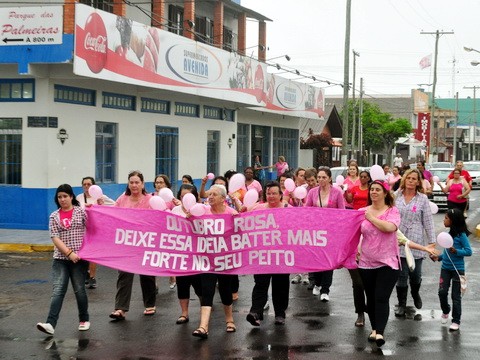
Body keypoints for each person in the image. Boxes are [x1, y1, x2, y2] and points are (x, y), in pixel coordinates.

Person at [358, 180, 436, 347]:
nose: (374, 192)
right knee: (370, 298)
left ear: (385, 193)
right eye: (371, 189)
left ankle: (380, 332)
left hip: (388, 263)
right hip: (366, 262)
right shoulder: (361, 212)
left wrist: (371, 217)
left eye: (378, 189)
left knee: (381, 297)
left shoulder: (392, 211)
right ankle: (374, 329)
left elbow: (389, 228)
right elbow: (351, 233)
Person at [37, 184, 90, 335]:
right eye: (59, 197)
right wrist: (69, 253)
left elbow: (93, 228)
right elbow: (55, 237)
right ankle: (50, 324)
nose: (62, 199)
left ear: (71, 197)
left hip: (79, 259)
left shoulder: (81, 212)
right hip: (60, 259)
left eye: (65, 196)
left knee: (79, 290)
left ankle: (84, 319)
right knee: (58, 290)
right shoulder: (54, 216)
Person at [109, 171, 157, 321]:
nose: (134, 185)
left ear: (143, 184)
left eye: (137, 182)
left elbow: (160, 216)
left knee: (147, 275)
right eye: (132, 182)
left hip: (146, 243)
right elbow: (112, 214)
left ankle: (150, 304)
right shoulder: (122, 199)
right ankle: (120, 309)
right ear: (128, 184)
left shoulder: (151, 200)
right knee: (124, 275)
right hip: (127, 244)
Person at [192, 184, 237, 339]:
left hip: (226, 260)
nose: (210, 197)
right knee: (207, 290)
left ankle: (229, 320)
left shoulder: (232, 213)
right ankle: (203, 326)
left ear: (223, 199)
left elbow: (242, 233)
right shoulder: (202, 211)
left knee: (225, 290)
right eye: (209, 194)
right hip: (207, 259)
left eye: (214, 195)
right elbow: (189, 225)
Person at [246, 181, 291, 327]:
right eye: (268, 193)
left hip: (281, 255)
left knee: (281, 285)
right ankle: (255, 312)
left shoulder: (288, 209)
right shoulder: (258, 208)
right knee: (260, 284)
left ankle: (279, 314)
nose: (271, 196)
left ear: (280, 195)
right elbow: (242, 217)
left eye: (274, 193)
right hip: (262, 255)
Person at [393, 169, 436, 317]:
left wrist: (432, 243)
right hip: (399, 240)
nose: (411, 181)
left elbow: (428, 222)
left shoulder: (422, 198)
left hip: (416, 240)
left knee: (415, 274)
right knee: (402, 274)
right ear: (404, 179)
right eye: (408, 178)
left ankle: (415, 292)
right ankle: (402, 304)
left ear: (418, 182)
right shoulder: (396, 195)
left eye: (414, 179)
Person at [305, 167, 345, 301]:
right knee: (316, 258)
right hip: (315, 232)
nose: (321, 180)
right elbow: (307, 210)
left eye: (324, 177)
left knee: (329, 261)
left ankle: (325, 290)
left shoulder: (337, 193)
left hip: (331, 233)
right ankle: (316, 283)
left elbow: (342, 212)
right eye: (319, 177)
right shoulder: (312, 192)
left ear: (329, 179)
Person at [430, 208, 472, 331]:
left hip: (457, 270)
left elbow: (468, 251)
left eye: (446, 218)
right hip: (445, 269)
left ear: (453, 221)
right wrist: (438, 257)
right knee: (442, 292)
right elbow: (447, 253)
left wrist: (457, 251)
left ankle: (456, 320)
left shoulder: (461, 235)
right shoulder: (448, 234)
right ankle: (445, 310)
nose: (444, 220)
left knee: (456, 296)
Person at [76, 176, 115, 289]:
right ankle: (86, 273)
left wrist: (101, 205)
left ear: (93, 185)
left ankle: (92, 277)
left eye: (89, 184)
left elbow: (115, 205)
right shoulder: (79, 198)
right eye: (85, 184)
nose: (87, 187)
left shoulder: (100, 197)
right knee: (82, 254)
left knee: (92, 254)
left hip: (95, 229)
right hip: (82, 229)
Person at [172, 184, 202, 325]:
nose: (185, 198)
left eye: (189, 196)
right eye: (183, 196)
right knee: (182, 284)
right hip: (181, 254)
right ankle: (184, 313)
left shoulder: (202, 209)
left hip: (198, 254)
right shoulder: (175, 210)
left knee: (200, 285)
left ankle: (205, 308)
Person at [152, 174, 176, 288]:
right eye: (157, 182)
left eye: (161, 182)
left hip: (167, 231)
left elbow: (176, 213)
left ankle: (172, 276)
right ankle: (154, 283)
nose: (158, 184)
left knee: (167, 255)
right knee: (153, 257)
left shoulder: (171, 198)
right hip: (154, 231)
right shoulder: (151, 196)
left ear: (166, 184)